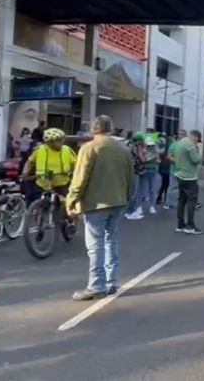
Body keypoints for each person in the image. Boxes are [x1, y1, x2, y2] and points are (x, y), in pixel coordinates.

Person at [65, 115, 134, 301]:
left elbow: (80, 179)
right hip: (118, 201)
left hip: (96, 203)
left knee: (95, 245)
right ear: (110, 129)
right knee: (111, 240)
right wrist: (128, 197)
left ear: (94, 129)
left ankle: (96, 286)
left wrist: (71, 200)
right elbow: (131, 177)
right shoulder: (123, 149)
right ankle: (111, 282)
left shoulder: (89, 149)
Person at [22, 128, 76, 206]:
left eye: (61, 140)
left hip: (62, 184)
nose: (61, 142)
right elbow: (29, 163)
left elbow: (75, 164)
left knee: (69, 203)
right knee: (33, 201)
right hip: (42, 184)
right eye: (59, 140)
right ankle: (32, 216)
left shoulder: (67, 150)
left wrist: (73, 173)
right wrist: (25, 173)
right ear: (50, 142)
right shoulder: (40, 150)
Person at [172, 130, 204, 235]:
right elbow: (196, 160)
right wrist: (198, 153)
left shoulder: (180, 143)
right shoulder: (190, 145)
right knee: (192, 201)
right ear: (195, 137)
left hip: (180, 174)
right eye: (198, 140)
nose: (197, 142)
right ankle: (190, 226)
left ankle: (180, 224)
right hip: (189, 176)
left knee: (181, 200)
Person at [127, 133, 160, 220]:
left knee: (151, 189)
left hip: (151, 170)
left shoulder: (153, 149)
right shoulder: (138, 147)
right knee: (140, 189)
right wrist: (148, 156)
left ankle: (151, 206)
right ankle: (138, 207)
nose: (148, 145)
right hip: (143, 170)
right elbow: (142, 159)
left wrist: (154, 156)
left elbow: (158, 160)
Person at [157, 136, 174, 210]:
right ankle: (165, 199)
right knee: (167, 185)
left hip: (162, 168)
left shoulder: (163, 150)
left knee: (164, 184)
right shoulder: (170, 151)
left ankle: (160, 198)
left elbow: (160, 158)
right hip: (167, 169)